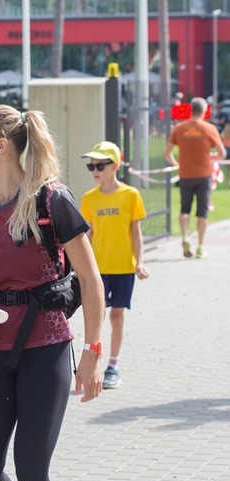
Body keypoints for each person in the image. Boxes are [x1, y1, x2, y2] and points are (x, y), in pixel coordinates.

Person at [0, 105, 104, 481]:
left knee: (32, 474)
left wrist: (92, 353)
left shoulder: (51, 200)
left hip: (44, 347)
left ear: (0, 147)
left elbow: (90, 279)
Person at [81, 141, 149, 390]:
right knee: (96, 316)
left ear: (115, 166)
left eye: (100, 165)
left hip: (123, 268)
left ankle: (113, 365)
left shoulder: (131, 195)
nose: (95, 170)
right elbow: (87, 237)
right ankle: (93, 361)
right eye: (91, 165)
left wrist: (139, 262)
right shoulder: (89, 198)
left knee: (117, 316)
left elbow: (137, 233)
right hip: (97, 269)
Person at [164, 97, 227, 259]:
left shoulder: (179, 128)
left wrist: (177, 164)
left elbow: (167, 153)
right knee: (202, 211)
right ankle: (200, 246)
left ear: (190, 110)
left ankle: (185, 237)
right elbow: (222, 153)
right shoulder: (209, 129)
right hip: (204, 175)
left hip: (185, 174)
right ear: (204, 110)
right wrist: (211, 157)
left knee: (185, 209)